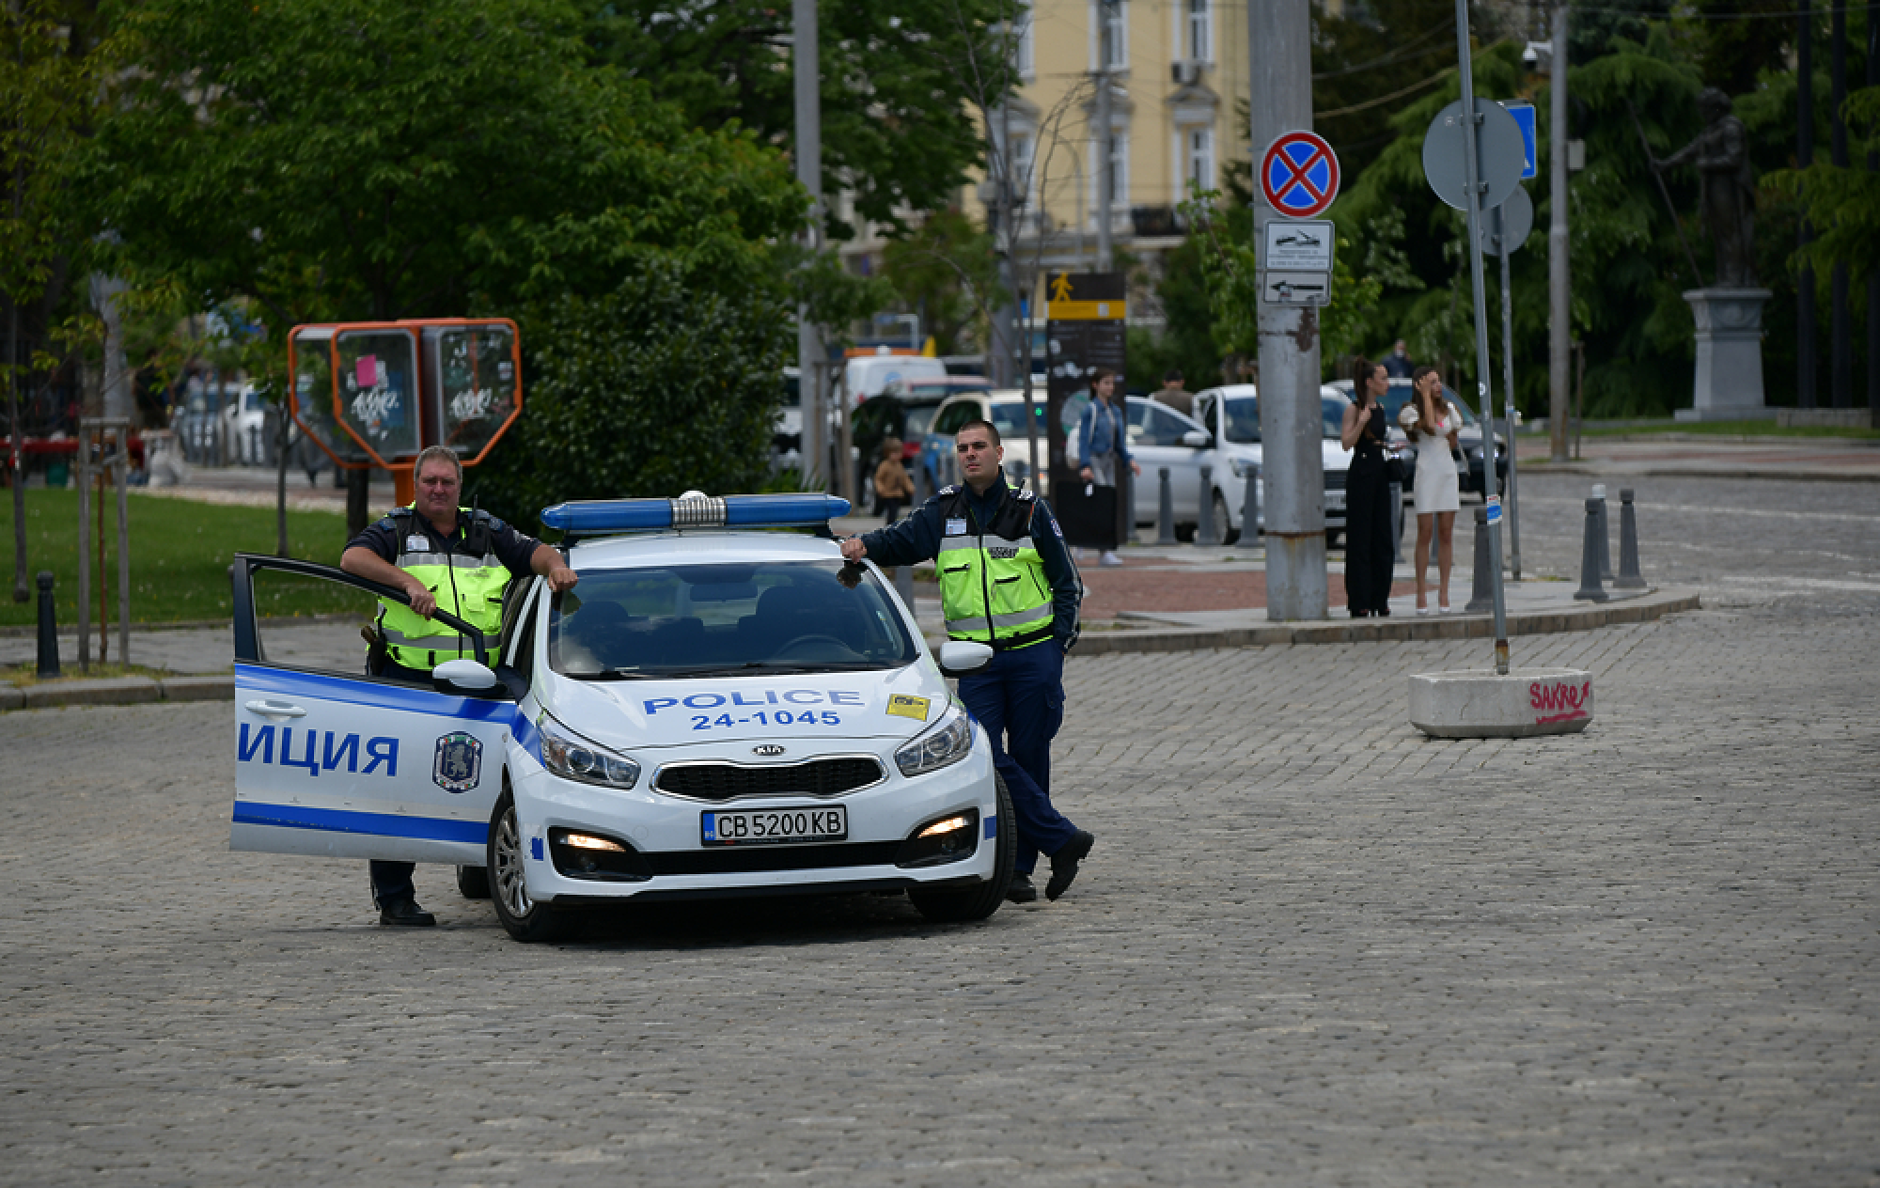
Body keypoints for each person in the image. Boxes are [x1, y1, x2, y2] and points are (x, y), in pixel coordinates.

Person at [839, 419, 1094, 904]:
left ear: (1000, 453)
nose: (970, 454)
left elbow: (1068, 583)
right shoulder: (943, 512)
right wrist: (863, 545)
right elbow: (901, 540)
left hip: (1032, 655)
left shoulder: (1030, 511)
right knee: (985, 758)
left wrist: (1057, 647)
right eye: (963, 448)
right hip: (974, 661)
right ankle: (1062, 839)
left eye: (979, 446)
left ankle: (1018, 871)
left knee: (1029, 758)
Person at [339, 444, 579, 926]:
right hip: (408, 679)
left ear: (459, 488)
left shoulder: (486, 531)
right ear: (416, 485)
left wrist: (554, 567)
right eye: (430, 481)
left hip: (475, 684)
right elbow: (352, 559)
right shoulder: (395, 530)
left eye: (447, 482)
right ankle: (395, 897)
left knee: (479, 780)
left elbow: (535, 551)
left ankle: (483, 868)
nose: (438, 489)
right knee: (400, 788)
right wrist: (406, 582)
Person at [1339, 358, 1395, 618]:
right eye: (1382, 378)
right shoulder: (1354, 409)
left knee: (1382, 537)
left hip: (1379, 473)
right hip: (1361, 473)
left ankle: (1380, 598)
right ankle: (1360, 600)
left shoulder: (1381, 408)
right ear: (1369, 382)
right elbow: (1346, 443)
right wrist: (1361, 422)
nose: (1387, 383)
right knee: (1360, 538)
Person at [1404, 366, 1460, 614]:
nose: (1438, 386)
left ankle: (1444, 592)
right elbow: (1427, 426)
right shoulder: (1410, 411)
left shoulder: (1448, 409)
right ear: (1419, 385)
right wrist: (1425, 397)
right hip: (1427, 471)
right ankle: (1420, 591)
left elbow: (1452, 438)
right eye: (1432, 382)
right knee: (1425, 532)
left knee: (1446, 533)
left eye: (1438, 381)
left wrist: (1449, 431)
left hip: (1446, 470)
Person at [1074, 368, 1139, 568]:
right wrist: (1085, 465)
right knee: (1101, 503)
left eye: (1111, 383)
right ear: (1095, 385)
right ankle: (1100, 549)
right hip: (1094, 458)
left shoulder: (1115, 411)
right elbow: (1084, 439)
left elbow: (1119, 442)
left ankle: (1094, 546)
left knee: (1106, 504)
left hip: (1109, 460)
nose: (1110, 387)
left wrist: (1129, 459)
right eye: (1106, 383)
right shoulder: (1090, 410)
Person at [873, 436, 915, 523]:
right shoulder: (885, 465)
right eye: (894, 453)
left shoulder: (899, 466)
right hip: (887, 493)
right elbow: (878, 478)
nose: (897, 456)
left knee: (894, 512)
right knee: (890, 512)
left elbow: (905, 478)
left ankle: (891, 526)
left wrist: (910, 487)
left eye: (898, 453)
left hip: (897, 493)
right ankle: (889, 526)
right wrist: (880, 488)